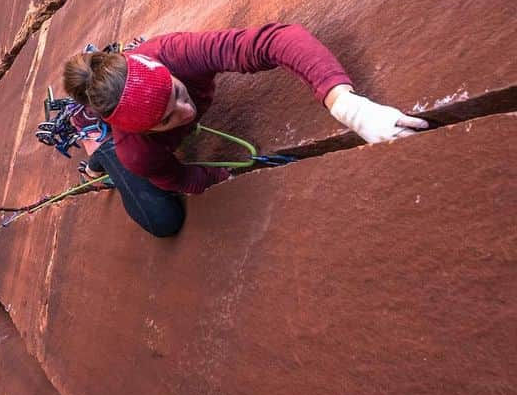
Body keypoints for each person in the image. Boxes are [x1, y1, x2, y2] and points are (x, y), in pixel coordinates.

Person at [62, 24, 429, 237]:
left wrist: (348, 106)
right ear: (144, 130)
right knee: (163, 222)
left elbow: (276, 40)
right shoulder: (138, 150)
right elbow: (177, 177)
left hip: (148, 87)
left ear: (164, 70)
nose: (187, 112)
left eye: (177, 93)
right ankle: (101, 152)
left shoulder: (174, 52)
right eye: (167, 119)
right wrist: (216, 177)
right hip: (125, 150)